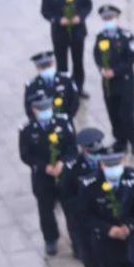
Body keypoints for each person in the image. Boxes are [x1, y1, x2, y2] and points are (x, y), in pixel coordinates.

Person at [19, 91, 77, 256]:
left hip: (64, 175)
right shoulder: (27, 130)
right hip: (42, 176)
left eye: (47, 107)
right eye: (41, 108)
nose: (46, 111)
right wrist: (44, 167)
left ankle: (77, 242)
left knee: (71, 210)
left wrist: (62, 163)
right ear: (34, 109)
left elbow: (72, 149)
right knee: (45, 210)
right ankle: (50, 239)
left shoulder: (63, 123)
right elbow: (25, 155)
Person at [63, 127, 108, 267]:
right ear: (82, 149)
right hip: (85, 223)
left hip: (108, 220)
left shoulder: (111, 159)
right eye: (91, 151)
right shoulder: (73, 167)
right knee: (91, 262)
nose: (96, 154)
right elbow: (67, 195)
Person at [40, 0, 93, 96]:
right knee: (62, 63)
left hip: (77, 31)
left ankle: (79, 88)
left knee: (78, 62)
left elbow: (87, 5)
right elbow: (45, 11)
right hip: (59, 33)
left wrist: (80, 17)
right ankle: (64, 90)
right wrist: (58, 20)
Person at [92, 5, 134, 154]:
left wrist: (116, 71)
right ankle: (120, 141)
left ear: (117, 18)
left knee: (127, 114)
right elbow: (97, 55)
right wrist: (102, 69)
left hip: (125, 82)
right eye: (106, 18)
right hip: (108, 83)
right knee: (113, 113)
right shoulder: (101, 37)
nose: (108, 20)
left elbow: (132, 58)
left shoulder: (127, 36)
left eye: (111, 17)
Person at [24, 50, 80, 121]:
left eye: (48, 65)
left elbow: (75, 101)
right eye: (43, 67)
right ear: (37, 68)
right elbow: (29, 109)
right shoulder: (32, 86)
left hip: (64, 121)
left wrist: (67, 118)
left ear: (53, 63)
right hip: (42, 123)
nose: (46, 69)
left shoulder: (66, 80)